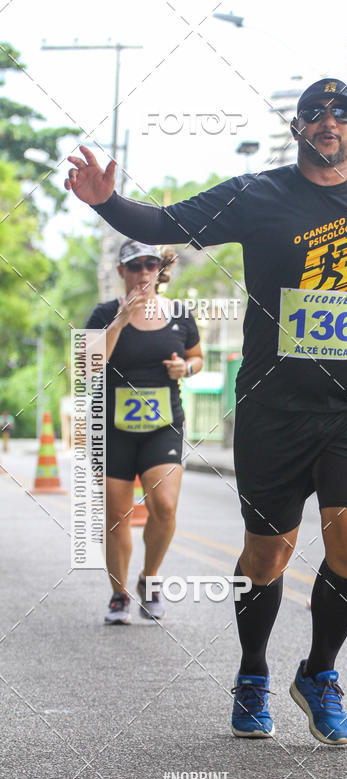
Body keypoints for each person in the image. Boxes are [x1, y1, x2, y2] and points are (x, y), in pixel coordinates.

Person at [65, 77, 347, 743]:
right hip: (271, 407)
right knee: (268, 554)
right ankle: (254, 671)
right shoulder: (258, 195)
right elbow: (164, 223)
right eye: (313, 112)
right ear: (298, 129)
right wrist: (108, 202)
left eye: (340, 112)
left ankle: (319, 673)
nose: (327, 121)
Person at [85, 241, 203, 625]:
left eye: (150, 264)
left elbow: (196, 356)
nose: (143, 273)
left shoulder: (180, 314)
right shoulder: (104, 313)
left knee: (165, 506)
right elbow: (88, 365)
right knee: (117, 514)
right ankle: (118, 594)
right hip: (114, 428)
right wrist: (120, 321)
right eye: (134, 265)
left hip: (162, 426)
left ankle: (149, 579)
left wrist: (185, 368)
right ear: (121, 271)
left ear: (159, 270)